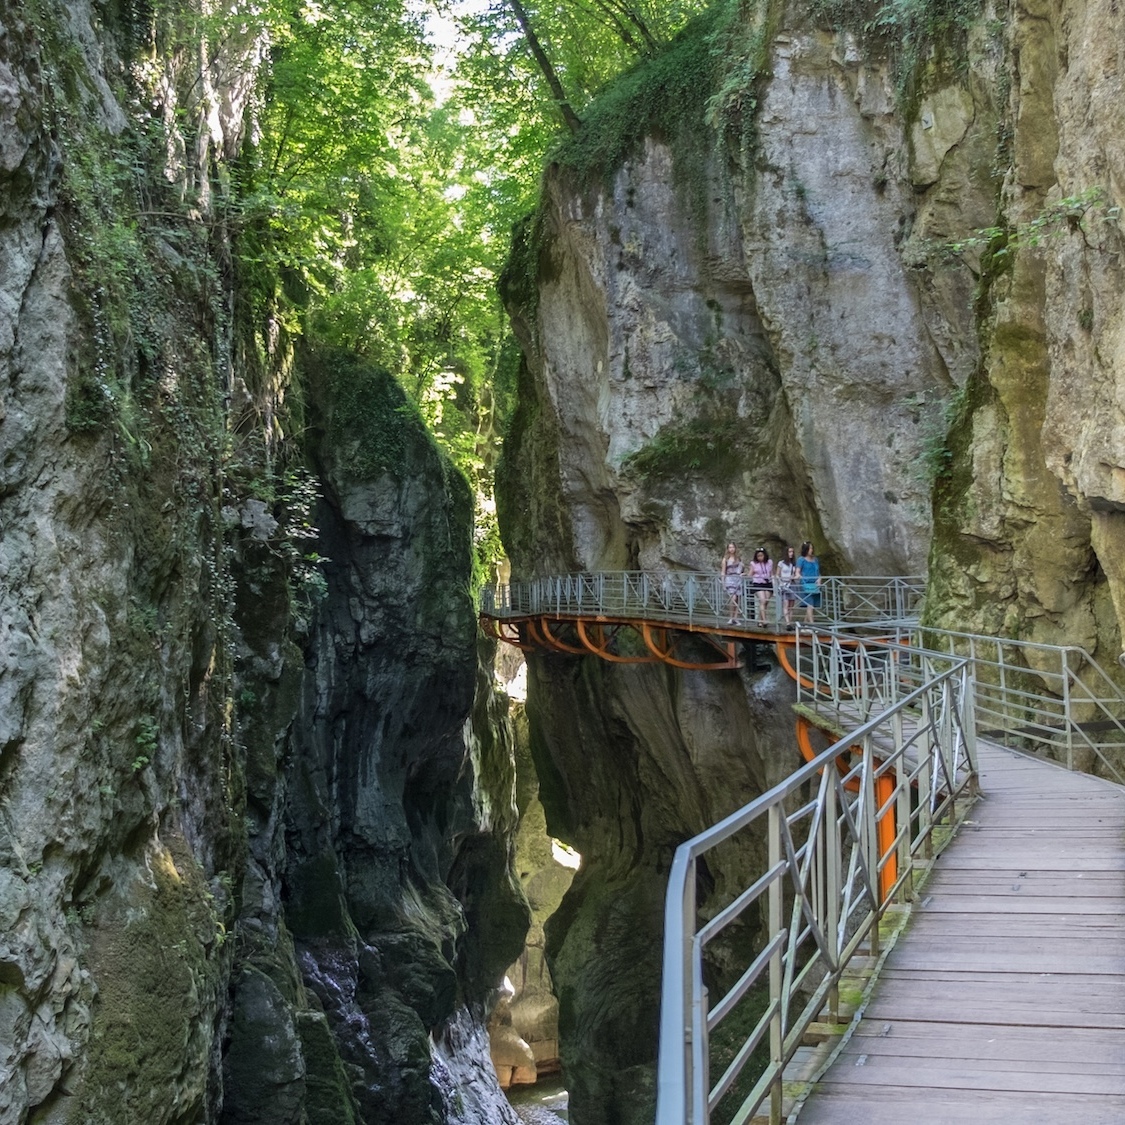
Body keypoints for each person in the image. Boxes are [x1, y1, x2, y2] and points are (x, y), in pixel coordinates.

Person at [797, 541, 822, 624]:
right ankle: (812, 624)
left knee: (812, 605)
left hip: (815, 585)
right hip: (805, 584)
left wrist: (819, 579)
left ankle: (805, 624)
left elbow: (818, 572)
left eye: (812, 548)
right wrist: (800, 577)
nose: (811, 550)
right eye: (810, 548)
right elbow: (797, 572)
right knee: (810, 604)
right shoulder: (801, 560)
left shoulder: (815, 559)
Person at [720, 542, 744, 624]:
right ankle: (731, 617)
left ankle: (735, 618)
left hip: (737, 578)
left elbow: (742, 569)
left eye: (733, 547)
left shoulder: (738, 558)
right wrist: (723, 582)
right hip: (729, 579)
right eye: (730, 547)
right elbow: (723, 572)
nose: (731, 549)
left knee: (738, 598)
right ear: (727, 549)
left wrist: (742, 574)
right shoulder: (725, 559)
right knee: (733, 598)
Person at [748, 547, 773, 624]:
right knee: (763, 600)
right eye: (758, 556)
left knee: (766, 602)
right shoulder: (753, 563)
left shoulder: (769, 562)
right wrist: (746, 575)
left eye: (761, 555)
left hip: (768, 583)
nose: (760, 557)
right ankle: (764, 621)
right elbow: (750, 574)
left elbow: (771, 573)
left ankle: (760, 621)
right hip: (758, 583)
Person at [776, 545, 799, 626]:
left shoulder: (794, 564)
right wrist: (780, 582)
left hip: (792, 584)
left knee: (791, 605)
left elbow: (796, 574)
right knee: (786, 604)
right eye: (789, 552)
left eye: (792, 552)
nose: (791, 553)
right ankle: (787, 623)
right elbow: (777, 574)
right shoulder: (781, 563)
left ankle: (790, 622)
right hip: (784, 584)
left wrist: (795, 577)